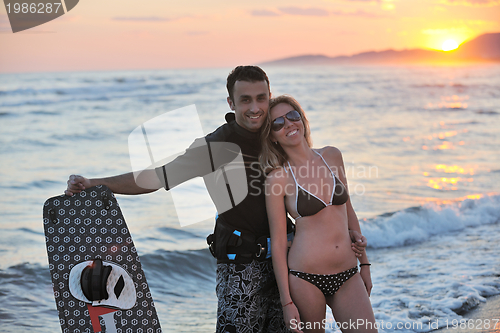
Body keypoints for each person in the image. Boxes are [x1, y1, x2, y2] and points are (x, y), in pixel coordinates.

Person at [65, 66, 367, 333]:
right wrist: (96, 183)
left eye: (261, 98)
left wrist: (352, 244)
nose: (254, 107)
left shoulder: (277, 133)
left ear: (269, 97)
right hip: (241, 265)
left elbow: (319, 181)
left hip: (287, 263)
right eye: (245, 99)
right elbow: (155, 177)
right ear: (231, 103)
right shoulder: (214, 146)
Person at [260, 95, 376, 333]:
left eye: (292, 116)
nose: (289, 125)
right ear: (272, 135)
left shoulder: (332, 156)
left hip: (348, 274)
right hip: (305, 279)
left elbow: (348, 211)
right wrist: (286, 302)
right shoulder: (278, 179)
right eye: (278, 123)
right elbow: (280, 243)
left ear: (301, 119)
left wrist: (364, 263)